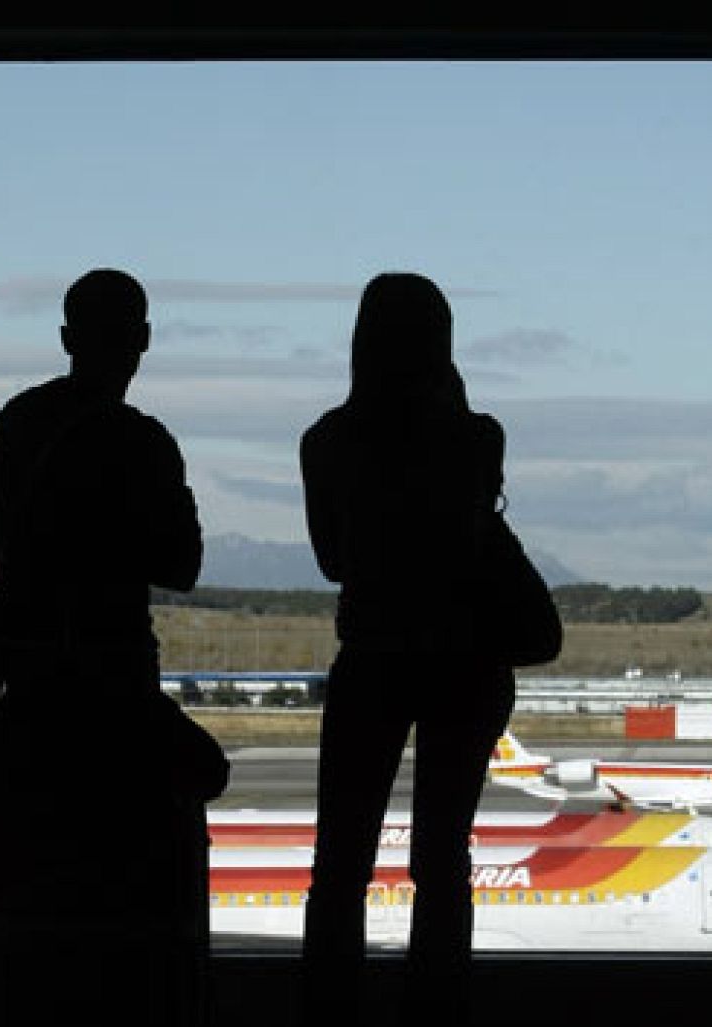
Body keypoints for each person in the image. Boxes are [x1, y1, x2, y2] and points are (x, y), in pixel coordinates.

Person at [0, 268, 228, 1027]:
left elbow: (7, 551)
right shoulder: (141, 440)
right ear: (143, 341)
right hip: (117, 683)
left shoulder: (18, 424)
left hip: (32, 684)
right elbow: (183, 564)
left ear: (67, 338)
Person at [299, 272, 519, 1027]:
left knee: (340, 863)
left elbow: (332, 559)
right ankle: (437, 1008)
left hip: (373, 655)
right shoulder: (476, 437)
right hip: (463, 659)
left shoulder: (327, 441)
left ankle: (330, 1009)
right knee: (443, 860)